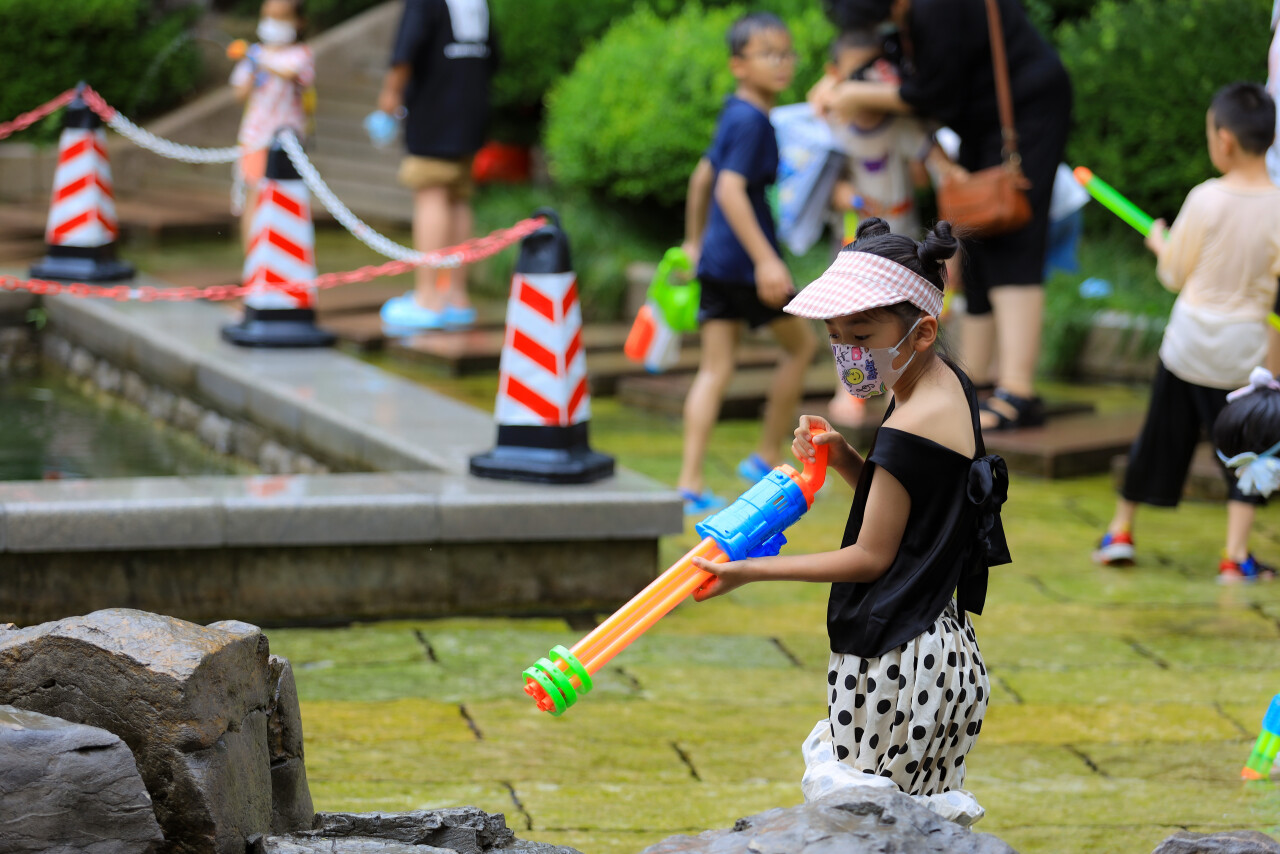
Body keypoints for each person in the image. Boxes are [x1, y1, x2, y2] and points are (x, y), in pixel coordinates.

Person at [691, 217, 1010, 798]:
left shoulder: (907, 425)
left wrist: (748, 570)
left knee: (864, 821)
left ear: (922, 331)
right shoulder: (947, 386)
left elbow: (870, 556)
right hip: (943, 649)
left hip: (897, 663)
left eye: (861, 337)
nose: (846, 352)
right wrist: (845, 460)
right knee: (921, 829)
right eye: (836, 336)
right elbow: (914, 504)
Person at [814, 0, 1072, 431]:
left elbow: (934, 91)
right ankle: (980, 382)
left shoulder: (936, 7)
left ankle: (1018, 391)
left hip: (1024, 110)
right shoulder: (914, 13)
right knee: (980, 245)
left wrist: (855, 93)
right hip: (982, 122)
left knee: (1015, 240)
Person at [1094, 83, 1280, 583]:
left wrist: (1159, 241)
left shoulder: (1205, 198)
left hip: (1190, 344)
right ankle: (1234, 555)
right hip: (1245, 350)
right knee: (1248, 450)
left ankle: (1120, 531)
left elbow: (1176, 274)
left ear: (1223, 140)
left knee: (1157, 434)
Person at [678, 12, 818, 515]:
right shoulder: (754, 122)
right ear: (739, 64)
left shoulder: (734, 112)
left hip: (717, 261)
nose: (781, 63)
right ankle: (763, 454)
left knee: (714, 369)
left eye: (786, 53)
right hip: (745, 264)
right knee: (801, 348)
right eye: (768, 54)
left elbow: (703, 177)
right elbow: (730, 188)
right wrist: (765, 260)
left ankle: (690, 481)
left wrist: (695, 244)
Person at [822, 28, 957, 426]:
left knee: (897, 321)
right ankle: (848, 389)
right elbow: (821, 183)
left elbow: (939, 167)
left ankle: (896, 389)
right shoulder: (834, 129)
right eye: (857, 73)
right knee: (846, 322)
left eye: (875, 69)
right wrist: (841, 192)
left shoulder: (901, 128)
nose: (868, 81)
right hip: (853, 246)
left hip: (901, 246)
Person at [377, 0, 498, 331]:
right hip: (471, 112)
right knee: (458, 197)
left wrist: (390, 96)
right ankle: (457, 297)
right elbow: (494, 56)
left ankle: (428, 298)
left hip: (434, 113)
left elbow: (406, 52)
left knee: (431, 193)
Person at [230, 0, 315, 248]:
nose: (272, 25)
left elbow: (292, 73)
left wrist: (258, 58)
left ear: (298, 22)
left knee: (285, 200)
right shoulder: (254, 55)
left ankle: (283, 263)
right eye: (268, 17)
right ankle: (252, 265)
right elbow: (239, 94)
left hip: (288, 139)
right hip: (254, 136)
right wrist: (253, 69)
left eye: (281, 18)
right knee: (254, 198)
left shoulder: (301, 54)